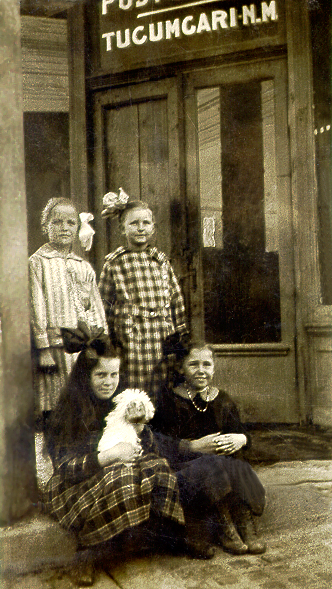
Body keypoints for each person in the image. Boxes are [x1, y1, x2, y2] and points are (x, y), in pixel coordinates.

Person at [43, 328, 186, 586]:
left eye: (114, 374)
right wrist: (108, 456)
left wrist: (140, 429)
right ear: (85, 377)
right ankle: (88, 550)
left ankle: (165, 536)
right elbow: (65, 468)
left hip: (113, 473)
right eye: (100, 375)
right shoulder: (69, 411)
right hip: (75, 483)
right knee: (123, 476)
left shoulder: (119, 402)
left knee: (157, 467)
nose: (108, 382)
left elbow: (144, 447)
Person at [151, 341, 266, 557]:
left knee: (234, 457)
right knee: (214, 465)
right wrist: (192, 446)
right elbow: (158, 441)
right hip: (187, 468)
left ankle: (243, 520)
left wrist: (241, 438)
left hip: (222, 469)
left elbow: (241, 432)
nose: (201, 370)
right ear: (181, 368)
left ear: (214, 368)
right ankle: (224, 524)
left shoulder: (223, 400)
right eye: (194, 364)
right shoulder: (170, 400)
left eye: (207, 364)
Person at [98, 196, 187, 400]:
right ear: (123, 229)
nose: (141, 228)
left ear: (153, 228)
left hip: (161, 336)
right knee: (134, 390)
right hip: (131, 339)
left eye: (146, 223)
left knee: (163, 385)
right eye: (134, 223)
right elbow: (103, 305)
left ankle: (159, 429)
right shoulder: (114, 264)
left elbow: (175, 299)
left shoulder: (161, 261)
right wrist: (109, 341)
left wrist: (180, 333)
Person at [29, 197, 107, 424]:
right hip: (55, 347)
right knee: (56, 401)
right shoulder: (38, 262)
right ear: (45, 227)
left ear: (78, 227)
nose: (64, 228)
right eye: (57, 222)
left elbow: (95, 306)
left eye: (71, 223)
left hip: (83, 346)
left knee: (83, 400)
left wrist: (101, 339)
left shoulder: (82, 265)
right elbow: (37, 306)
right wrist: (43, 349)